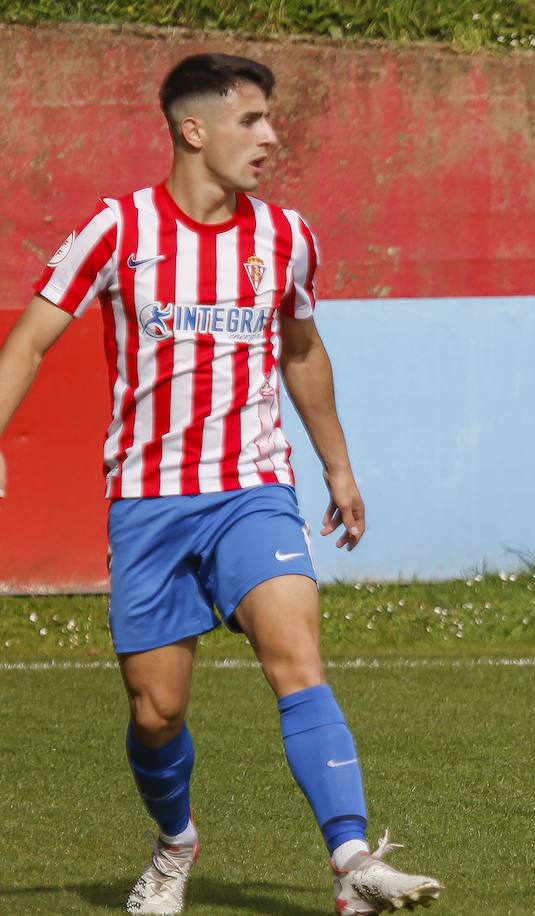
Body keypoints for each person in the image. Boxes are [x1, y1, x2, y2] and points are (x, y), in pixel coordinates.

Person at [0, 54, 442, 914]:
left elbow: (302, 352)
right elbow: (27, 343)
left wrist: (339, 466)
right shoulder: (117, 230)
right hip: (149, 499)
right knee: (156, 712)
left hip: (253, 487)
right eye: (252, 121)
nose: (272, 137)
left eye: (272, 120)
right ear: (192, 129)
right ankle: (175, 845)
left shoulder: (287, 238)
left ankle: (353, 859)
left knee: (297, 658)